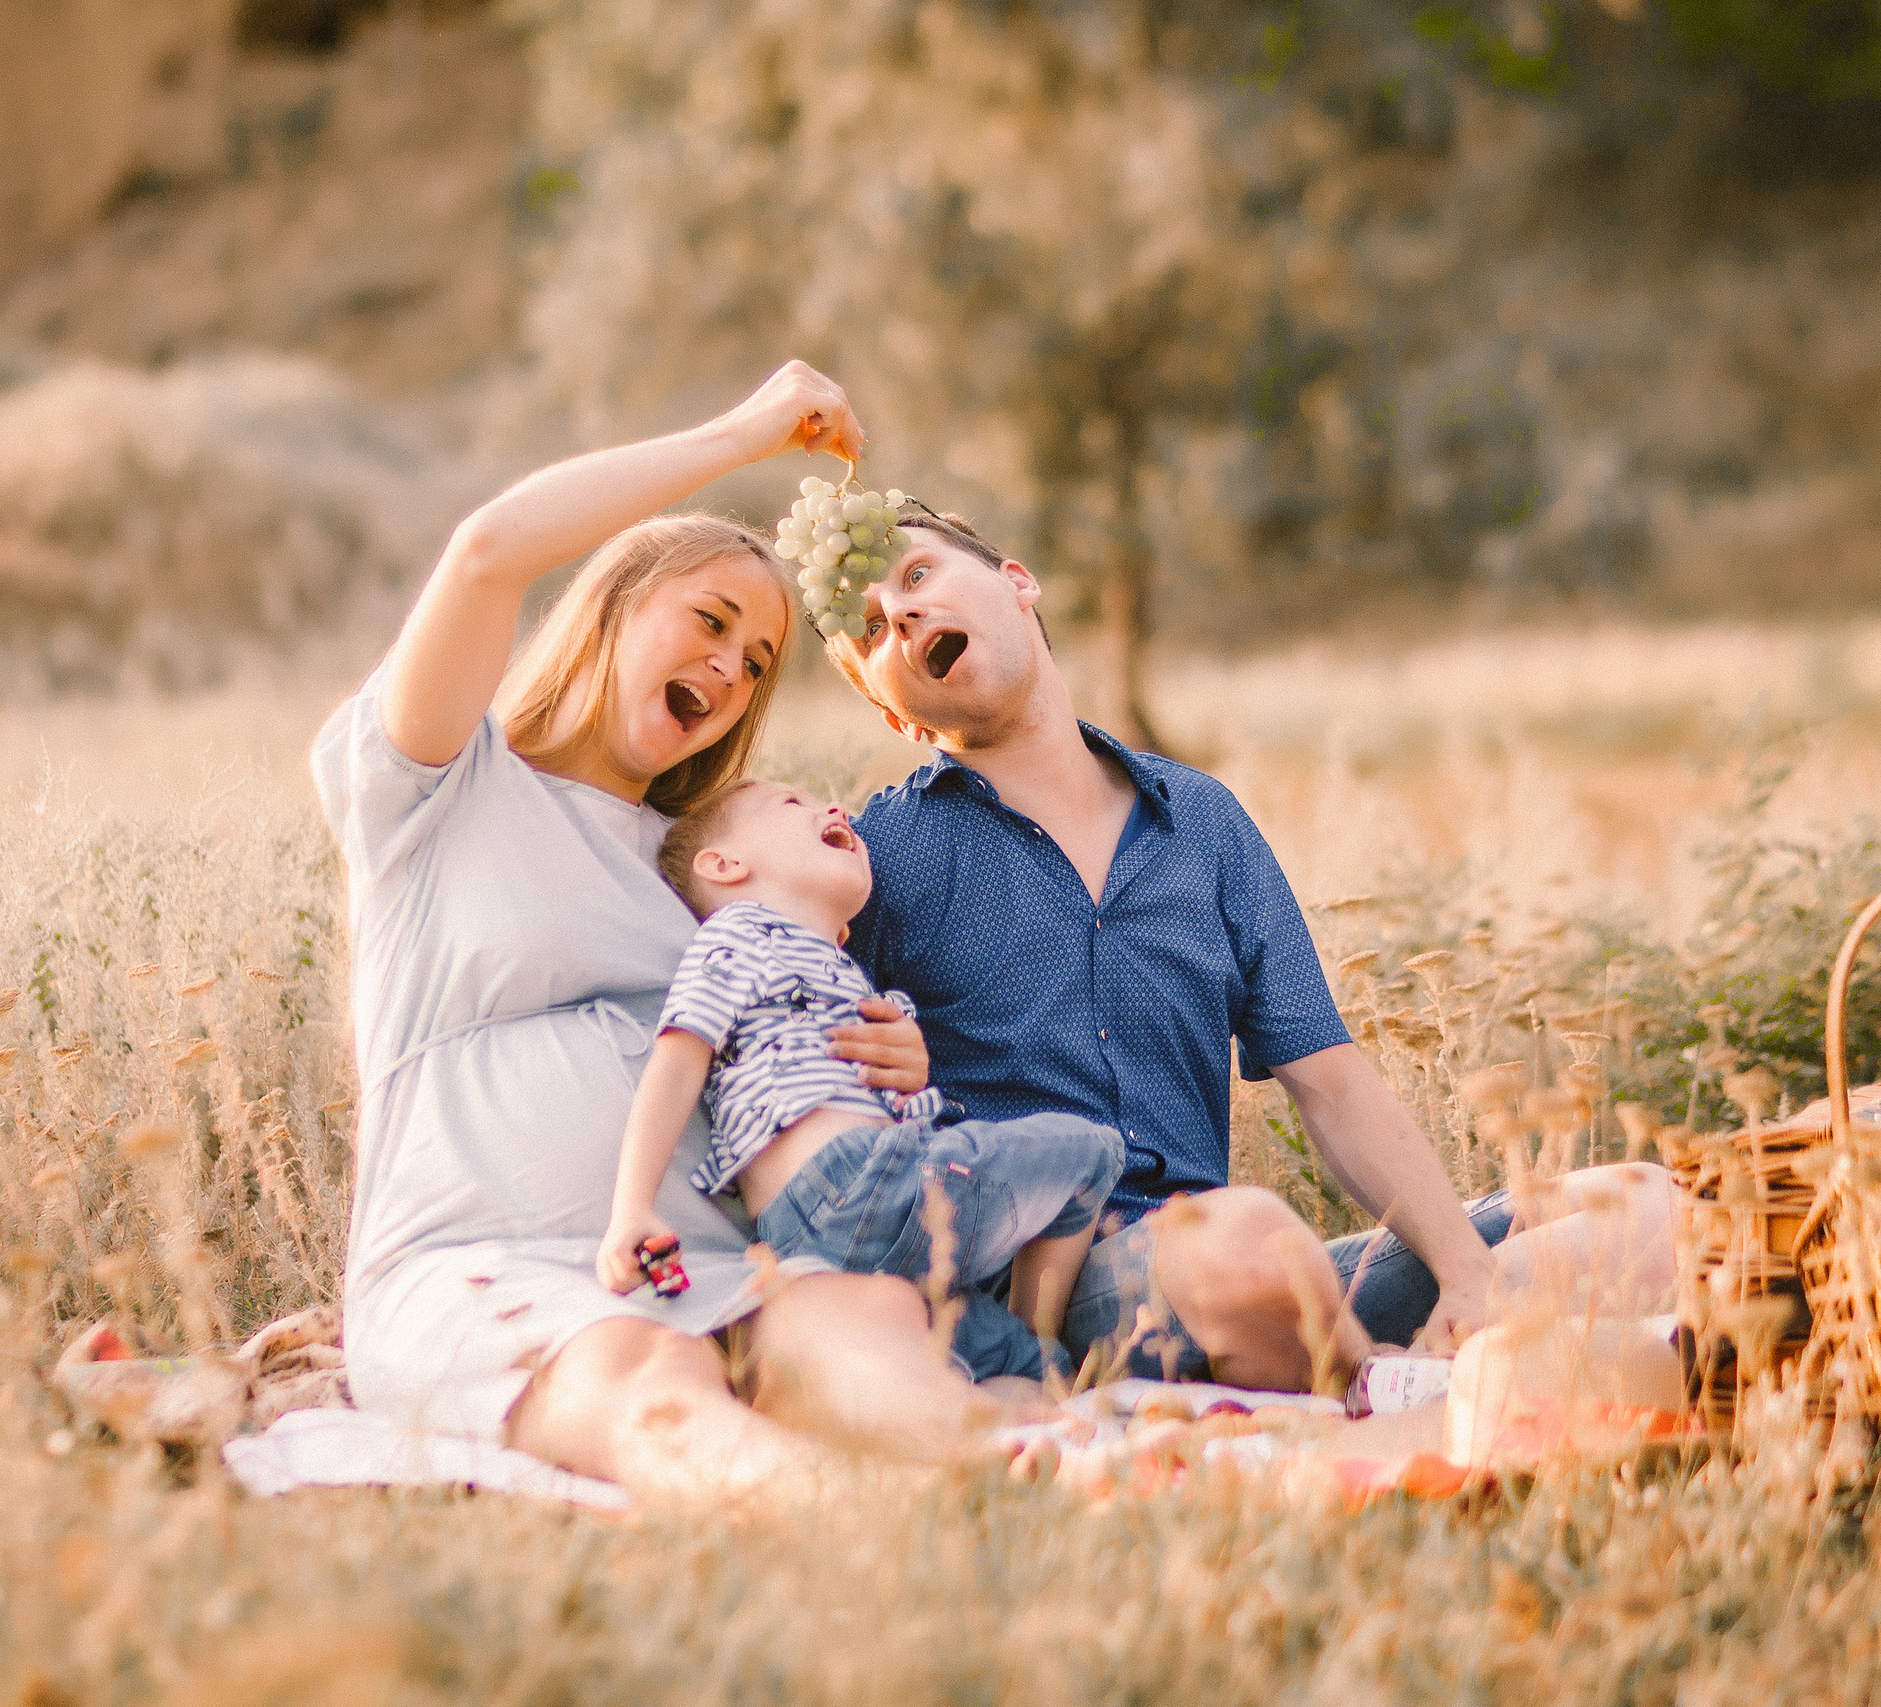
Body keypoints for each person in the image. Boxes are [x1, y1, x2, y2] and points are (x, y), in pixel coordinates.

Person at [313, 360, 1026, 1497]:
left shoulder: (704, 862)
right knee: (646, 1381)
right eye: (708, 619)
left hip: (713, 1262)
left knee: (863, 1334)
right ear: (608, 608)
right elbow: (487, 549)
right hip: (482, 1266)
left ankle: (1070, 1492)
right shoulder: (438, 785)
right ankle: (862, 1527)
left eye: (755, 662)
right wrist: (745, 435)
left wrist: (877, 1052)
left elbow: (779, 1028)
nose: (731, 670)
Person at [828, 509, 1681, 1392]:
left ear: (1017, 582)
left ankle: (1441, 1361)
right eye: (870, 627)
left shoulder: (1202, 823)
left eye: (918, 576)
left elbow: (1332, 1082)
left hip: (1268, 1273)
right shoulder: (878, 858)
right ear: (893, 715)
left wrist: (1467, 1272)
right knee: (1243, 1240)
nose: (900, 614)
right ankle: (1394, 1389)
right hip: (1071, 1295)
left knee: (1645, 1208)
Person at [593, 776, 1124, 1381]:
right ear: (724, 865)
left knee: (1014, 1365)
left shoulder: (845, 981)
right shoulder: (743, 936)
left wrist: (914, 1081)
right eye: (794, 803)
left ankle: (1041, 1417)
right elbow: (676, 1059)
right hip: (851, 1181)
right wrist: (632, 1208)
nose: (834, 807)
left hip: (824, 1239)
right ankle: (1043, 1333)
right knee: (1089, 1149)